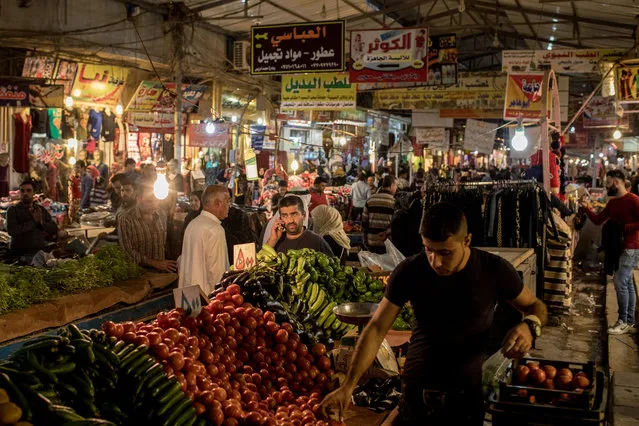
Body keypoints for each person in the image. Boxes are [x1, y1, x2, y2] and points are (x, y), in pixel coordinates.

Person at [319, 202, 548, 425]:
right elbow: (377, 328)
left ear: (466, 241)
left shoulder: (493, 269)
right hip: (416, 394)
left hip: (466, 396)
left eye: (445, 252)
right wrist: (349, 385)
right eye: (428, 250)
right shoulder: (410, 271)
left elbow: (535, 306)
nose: (435, 261)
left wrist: (530, 326)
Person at [581, 169, 639, 334]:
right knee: (627, 284)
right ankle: (629, 321)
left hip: (631, 247)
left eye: (607, 182)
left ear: (616, 182)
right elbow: (599, 220)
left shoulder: (634, 200)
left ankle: (623, 320)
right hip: (618, 247)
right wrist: (586, 209)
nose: (605, 186)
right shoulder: (613, 203)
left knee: (620, 282)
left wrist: (624, 228)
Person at [179, 185, 231, 294]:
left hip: (188, 297)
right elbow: (218, 274)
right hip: (207, 299)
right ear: (218, 203)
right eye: (227, 201)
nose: (229, 205)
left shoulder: (193, 224)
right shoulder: (215, 230)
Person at [118, 184, 177, 272]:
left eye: (157, 201)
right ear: (138, 199)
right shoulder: (127, 219)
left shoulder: (161, 214)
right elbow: (127, 251)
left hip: (162, 272)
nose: (155, 205)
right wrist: (155, 263)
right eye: (149, 201)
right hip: (138, 273)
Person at [266, 195, 333, 256]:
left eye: (294, 214)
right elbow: (260, 264)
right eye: (285, 216)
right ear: (280, 218)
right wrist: (273, 240)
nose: (290, 220)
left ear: (304, 215)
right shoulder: (275, 240)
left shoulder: (317, 241)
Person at [6, 179, 59, 256]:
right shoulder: (13, 210)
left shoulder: (40, 209)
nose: (25, 193)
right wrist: (34, 222)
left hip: (40, 252)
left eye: (29, 190)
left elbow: (53, 228)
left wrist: (41, 223)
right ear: (19, 193)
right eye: (22, 191)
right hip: (20, 254)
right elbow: (12, 231)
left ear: (34, 193)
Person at [362, 175, 397, 254]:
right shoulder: (394, 202)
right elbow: (396, 224)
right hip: (387, 242)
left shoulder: (370, 199)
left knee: (373, 266)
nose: (396, 188)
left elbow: (364, 223)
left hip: (371, 241)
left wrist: (365, 241)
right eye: (396, 185)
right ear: (392, 185)